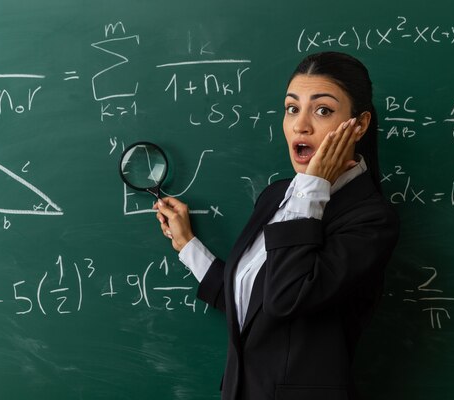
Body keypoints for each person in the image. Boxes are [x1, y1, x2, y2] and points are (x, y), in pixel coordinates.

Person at [153, 51, 400, 400]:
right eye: (291, 108)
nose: (301, 125)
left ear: (358, 125)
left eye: (323, 110)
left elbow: (288, 298)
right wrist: (188, 245)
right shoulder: (275, 197)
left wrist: (312, 189)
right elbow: (254, 306)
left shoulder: (372, 221)